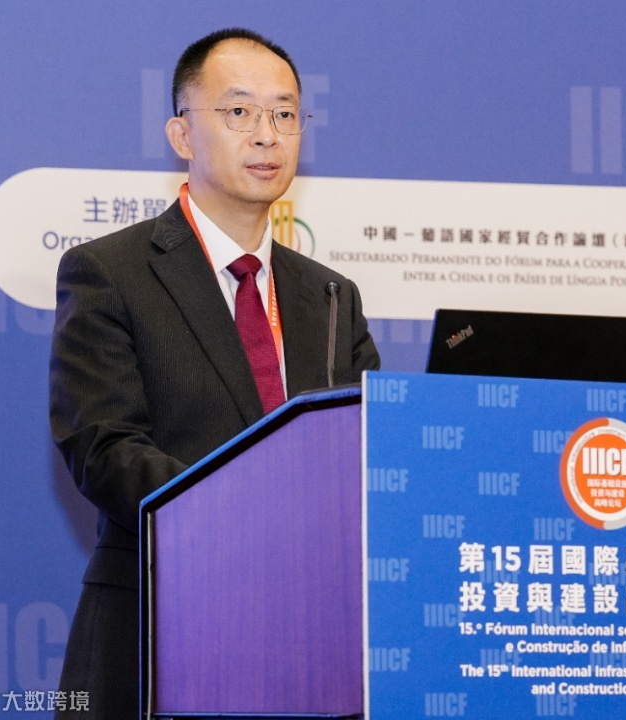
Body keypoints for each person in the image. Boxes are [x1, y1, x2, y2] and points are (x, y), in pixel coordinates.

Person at [49, 28, 380, 719]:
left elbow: (372, 453)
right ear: (181, 134)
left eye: (284, 114)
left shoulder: (331, 296)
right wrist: (246, 516)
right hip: (163, 626)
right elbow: (104, 449)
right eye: (238, 112)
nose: (266, 134)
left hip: (317, 647)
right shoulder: (111, 272)